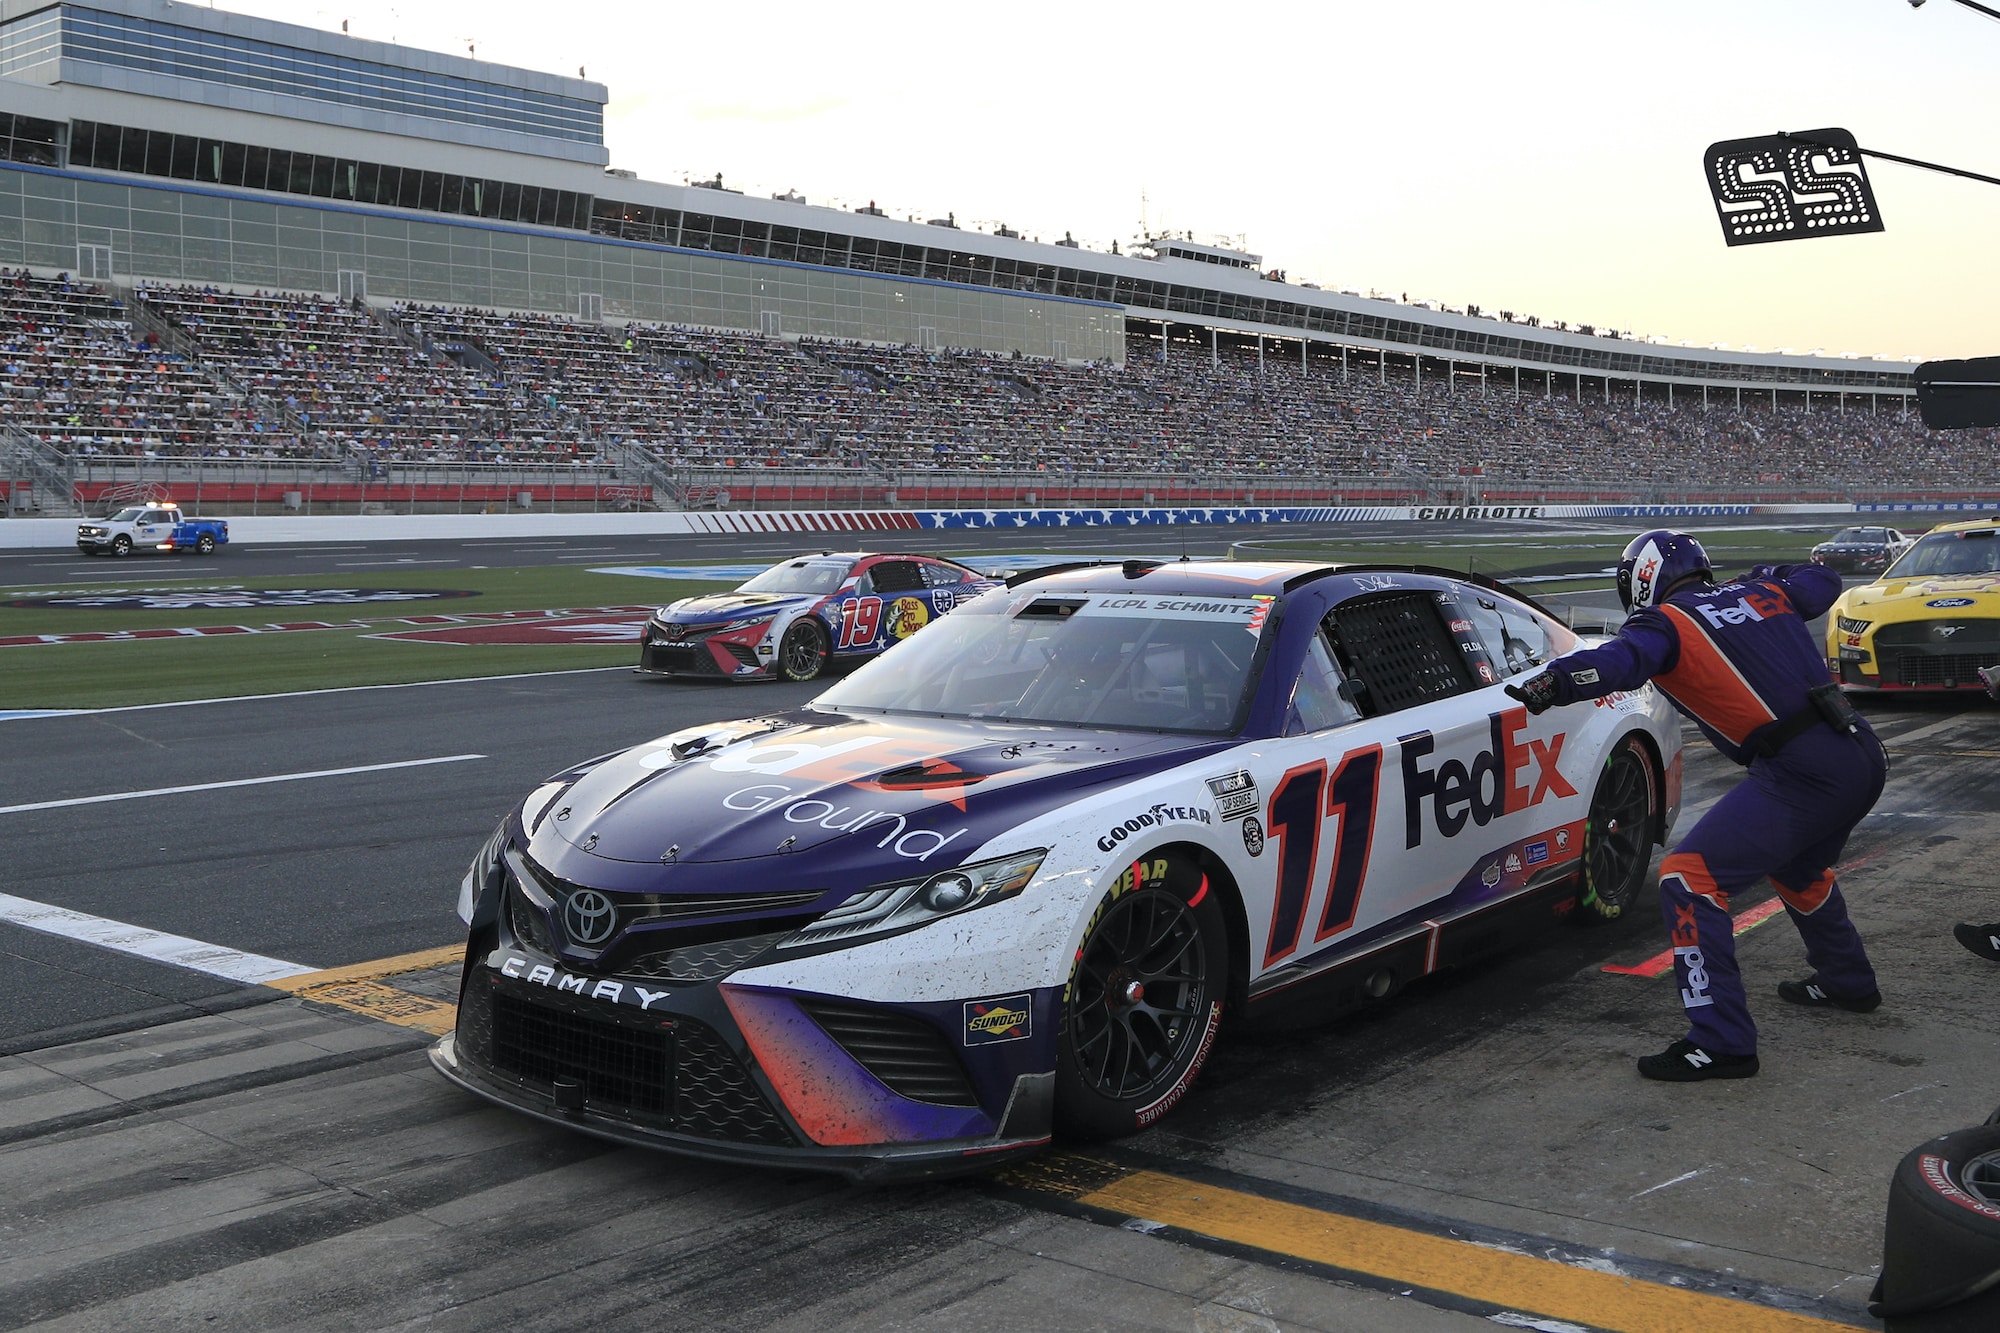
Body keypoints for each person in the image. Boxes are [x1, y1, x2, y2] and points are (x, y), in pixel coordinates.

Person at [1507, 530, 1886, 1082]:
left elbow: (1620, 661)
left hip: (1801, 769)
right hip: (1860, 752)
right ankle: (1847, 982)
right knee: (1798, 866)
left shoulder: (1664, 623)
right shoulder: (1765, 592)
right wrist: (1765, 575)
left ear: (1641, 579)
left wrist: (1555, 682)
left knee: (1687, 877)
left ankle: (1721, 1041)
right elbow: (1823, 579)